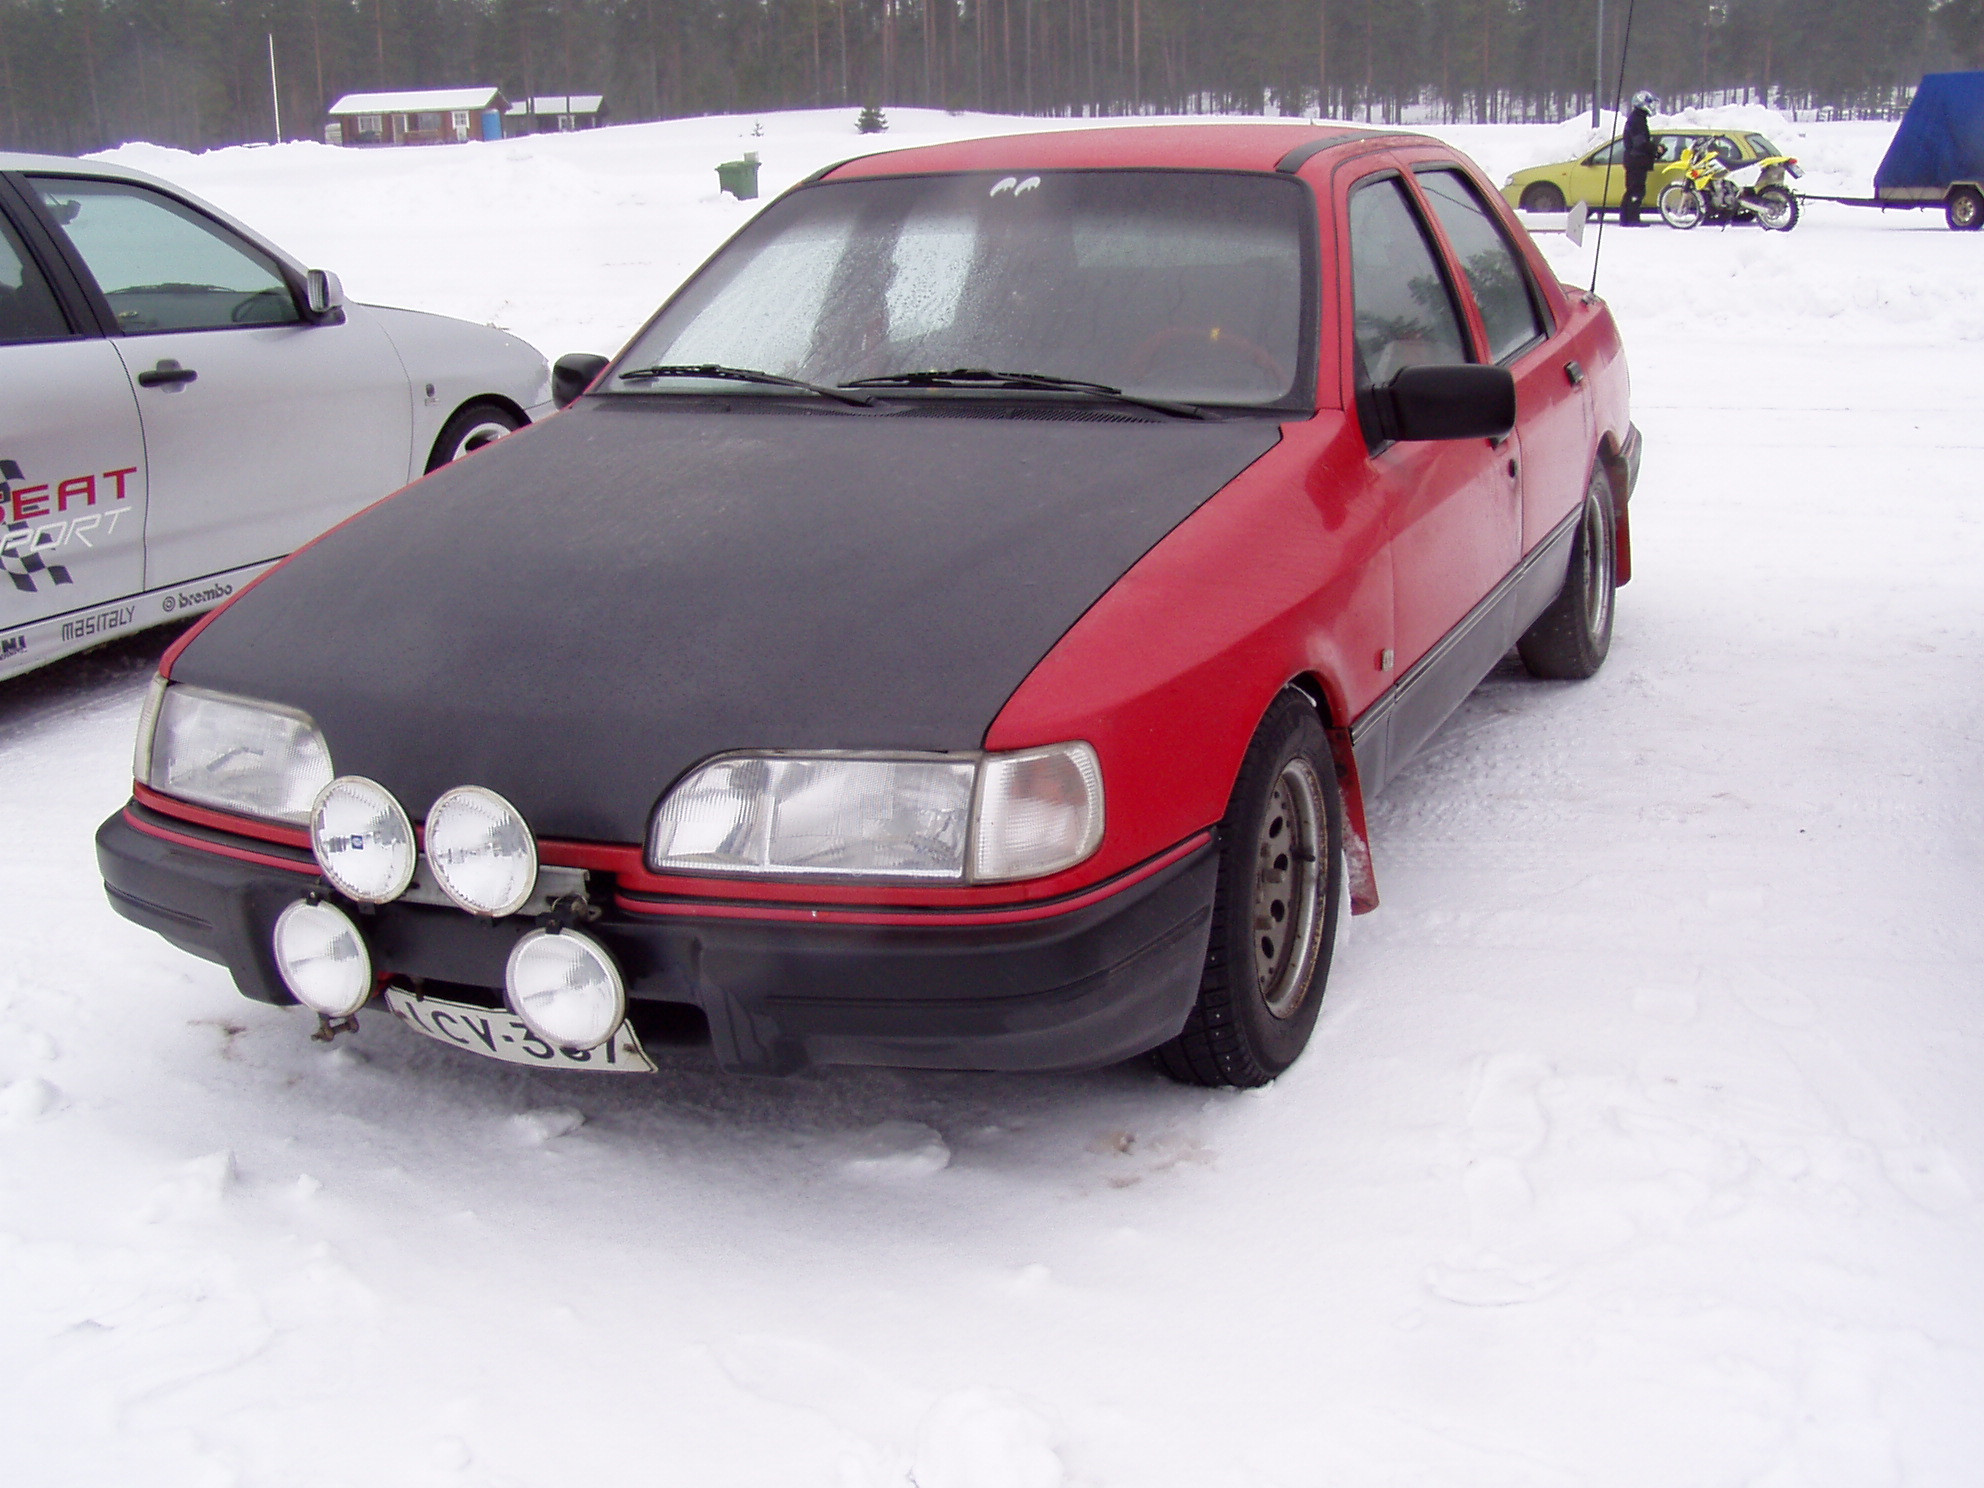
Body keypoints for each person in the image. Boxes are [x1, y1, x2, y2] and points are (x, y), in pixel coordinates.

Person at [1619, 91, 1659, 225]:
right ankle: (1631, 219)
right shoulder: (1637, 120)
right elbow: (1640, 142)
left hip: (1636, 160)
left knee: (1634, 189)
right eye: (1649, 103)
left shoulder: (1638, 118)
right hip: (1636, 161)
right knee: (1636, 190)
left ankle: (1627, 218)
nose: (1651, 106)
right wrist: (1655, 148)